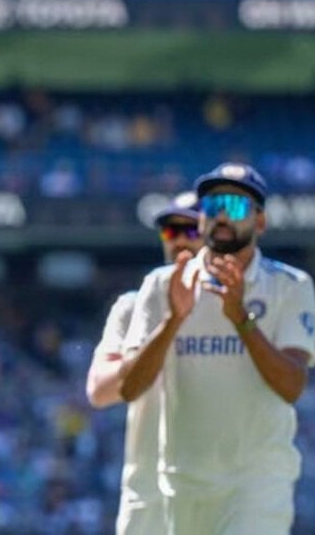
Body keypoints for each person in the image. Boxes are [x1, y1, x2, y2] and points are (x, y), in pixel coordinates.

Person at [118, 163, 315, 535]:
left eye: (237, 205)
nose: (223, 215)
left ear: (260, 222)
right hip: (183, 481)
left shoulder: (290, 286)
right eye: (212, 206)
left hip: (258, 481)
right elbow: (130, 388)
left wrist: (240, 319)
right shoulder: (162, 285)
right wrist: (173, 321)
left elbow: (292, 386)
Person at [85, 191, 203, 535]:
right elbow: (99, 391)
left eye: (191, 230)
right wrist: (157, 336)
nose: (180, 239)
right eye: (170, 230)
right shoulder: (131, 307)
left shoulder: (236, 307)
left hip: (219, 492)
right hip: (150, 497)